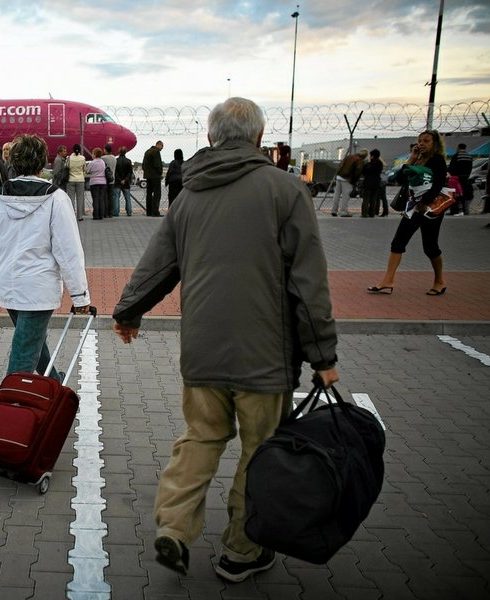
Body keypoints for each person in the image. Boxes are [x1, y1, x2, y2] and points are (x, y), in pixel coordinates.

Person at [112, 97, 339, 584]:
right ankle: (242, 551)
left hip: (202, 349)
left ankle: (173, 527)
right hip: (265, 357)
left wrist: (128, 312)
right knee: (261, 451)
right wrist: (323, 355)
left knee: (199, 436)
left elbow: (157, 266)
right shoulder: (285, 191)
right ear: (259, 138)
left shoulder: (189, 195)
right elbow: (307, 281)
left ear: (212, 138)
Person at [0, 134, 91, 380]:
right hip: (38, 287)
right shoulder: (56, 198)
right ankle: (9, 404)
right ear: (41, 162)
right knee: (24, 351)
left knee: (31, 338)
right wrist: (80, 296)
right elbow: (68, 252)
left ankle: (53, 381)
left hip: (9, 286)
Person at [368, 129, 449, 296]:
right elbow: (399, 179)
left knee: (430, 247)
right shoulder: (417, 160)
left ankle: (439, 281)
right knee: (397, 242)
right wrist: (411, 159)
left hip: (430, 209)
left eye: (426, 141)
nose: (422, 143)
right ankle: (387, 281)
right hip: (412, 207)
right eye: (420, 140)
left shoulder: (437, 161)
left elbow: (439, 183)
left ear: (435, 144)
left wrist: (425, 202)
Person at [330, 148, 367, 217]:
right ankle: (343, 211)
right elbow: (357, 172)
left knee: (336, 195)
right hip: (347, 179)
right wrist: (354, 181)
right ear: (364, 156)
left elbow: (341, 164)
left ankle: (334, 210)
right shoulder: (360, 161)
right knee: (345, 196)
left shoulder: (349, 156)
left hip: (339, 176)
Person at [448, 142, 474, 216]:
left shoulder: (456, 156)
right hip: (465, 178)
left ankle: (454, 211)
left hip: (456, 178)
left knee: (455, 195)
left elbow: (451, 168)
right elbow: (470, 168)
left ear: (458, 148)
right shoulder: (469, 156)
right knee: (463, 195)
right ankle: (463, 210)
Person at [65, 144, 87, 221]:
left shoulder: (69, 158)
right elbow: (84, 169)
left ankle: (71, 216)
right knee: (80, 198)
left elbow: (66, 167)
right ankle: (80, 216)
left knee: (71, 199)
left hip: (71, 180)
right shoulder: (82, 158)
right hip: (80, 180)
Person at [142, 140, 164, 216]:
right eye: (162, 146)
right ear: (158, 145)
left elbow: (144, 165)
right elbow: (157, 164)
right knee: (157, 194)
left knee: (149, 193)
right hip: (155, 176)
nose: (162, 148)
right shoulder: (156, 152)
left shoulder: (147, 152)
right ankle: (155, 211)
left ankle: (149, 211)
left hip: (148, 176)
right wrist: (160, 173)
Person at [361, 149, 384, 217]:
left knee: (366, 199)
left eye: (370, 155)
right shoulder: (380, 164)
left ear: (372, 156)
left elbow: (363, 172)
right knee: (373, 199)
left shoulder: (368, 165)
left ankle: (364, 213)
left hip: (368, 183)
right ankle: (372, 213)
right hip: (376, 183)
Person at [86, 148, 108, 220]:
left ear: (95, 154)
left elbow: (87, 170)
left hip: (94, 182)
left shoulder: (92, 162)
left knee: (95, 199)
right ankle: (101, 214)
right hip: (103, 182)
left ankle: (96, 215)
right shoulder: (103, 162)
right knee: (101, 199)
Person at [114, 146, 134, 216]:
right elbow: (130, 172)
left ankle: (116, 212)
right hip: (126, 182)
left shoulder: (116, 160)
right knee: (127, 198)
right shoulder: (128, 161)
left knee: (116, 198)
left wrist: (120, 179)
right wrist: (125, 180)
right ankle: (129, 212)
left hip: (117, 182)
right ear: (126, 152)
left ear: (119, 152)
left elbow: (115, 172)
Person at [102, 143, 117, 217]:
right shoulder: (114, 158)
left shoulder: (103, 158)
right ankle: (111, 213)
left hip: (105, 180)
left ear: (106, 150)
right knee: (111, 197)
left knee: (105, 197)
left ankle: (106, 213)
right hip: (112, 179)